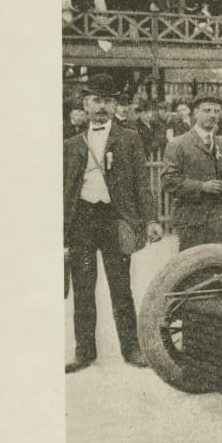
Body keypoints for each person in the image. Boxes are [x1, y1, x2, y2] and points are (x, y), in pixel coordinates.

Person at [63, 78, 162, 373]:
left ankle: (131, 348)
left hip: (114, 220)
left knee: (121, 287)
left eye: (108, 101)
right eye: (96, 100)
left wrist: (151, 220)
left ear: (116, 105)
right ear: (85, 105)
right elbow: (64, 190)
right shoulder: (71, 144)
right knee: (83, 288)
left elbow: (141, 184)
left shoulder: (129, 138)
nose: (102, 106)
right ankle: (84, 351)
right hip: (81, 220)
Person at [160, 95, 222, 252]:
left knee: (213, 263)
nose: (212, 115)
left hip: (216, 220)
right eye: (207, 110)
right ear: (195, 113)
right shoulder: (178, 144)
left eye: (216, 111)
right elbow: (168, 180)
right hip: (190, 219)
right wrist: (201, 186)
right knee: (192, 267)